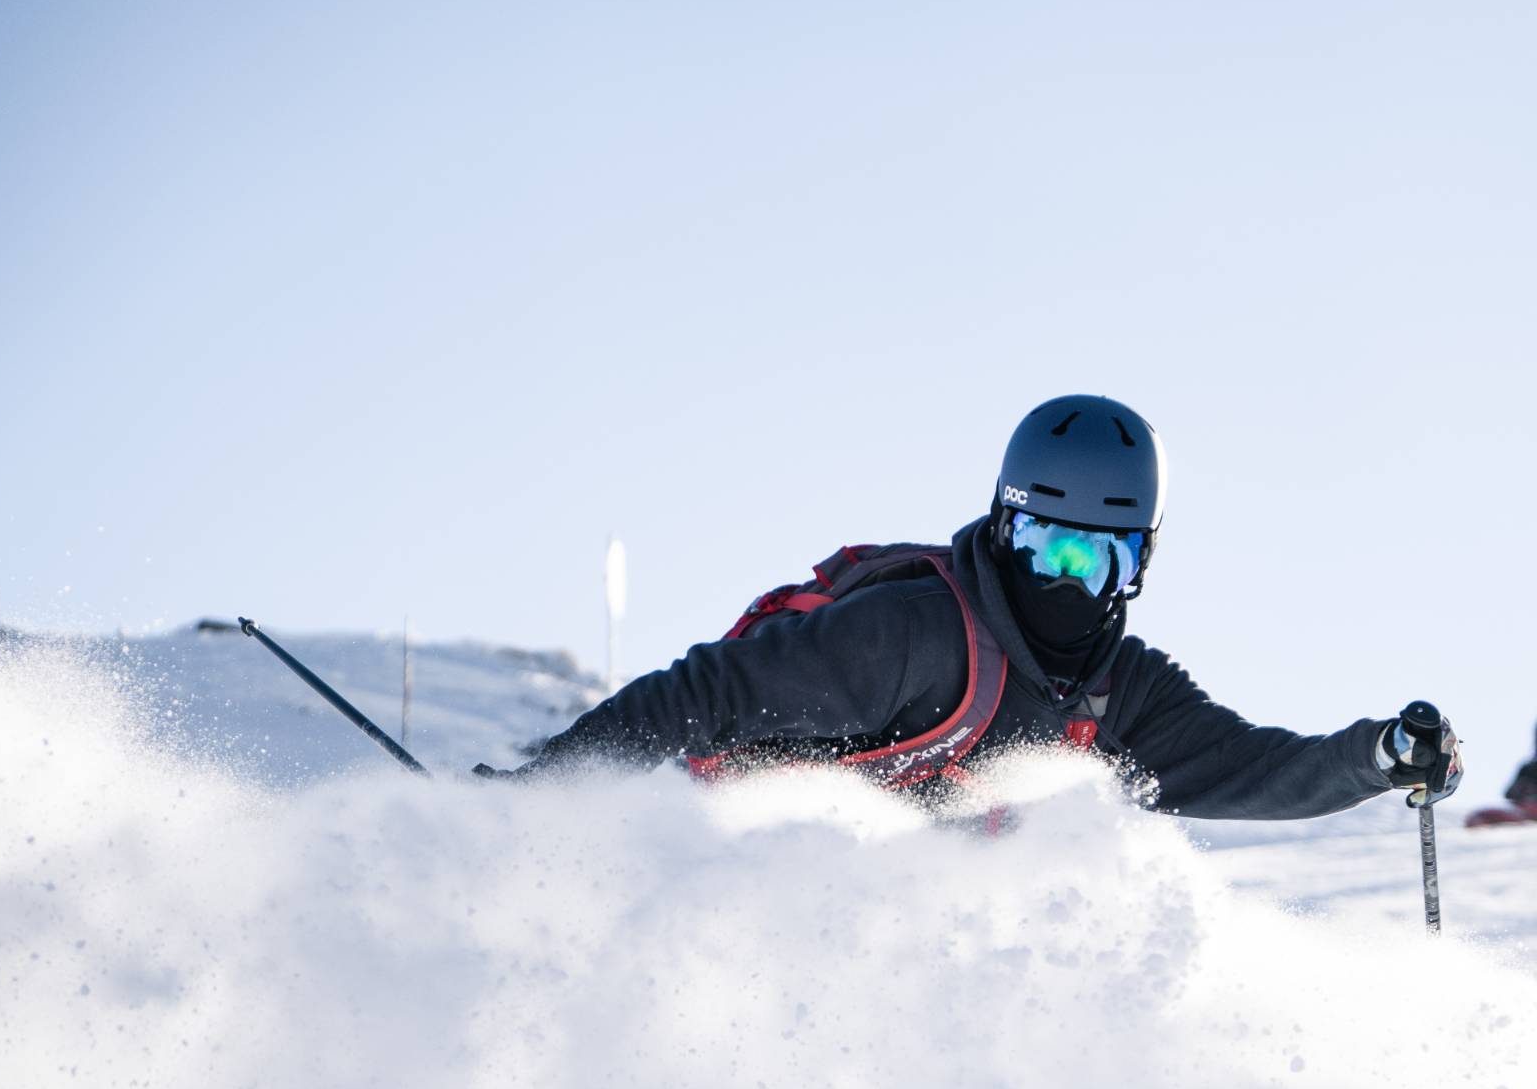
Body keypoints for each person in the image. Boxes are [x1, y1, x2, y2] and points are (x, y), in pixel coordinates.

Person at [491, 395, 1462, 822]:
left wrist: (1377, 755)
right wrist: (541, 789)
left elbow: (1254, 769)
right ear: (1004, 525)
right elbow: (701, 693)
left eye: (1097, 556)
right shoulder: (912, 634)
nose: (1064, 578)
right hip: (714, 857)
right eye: (1046, 544)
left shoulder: (1119, 693)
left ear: (1140, 563)